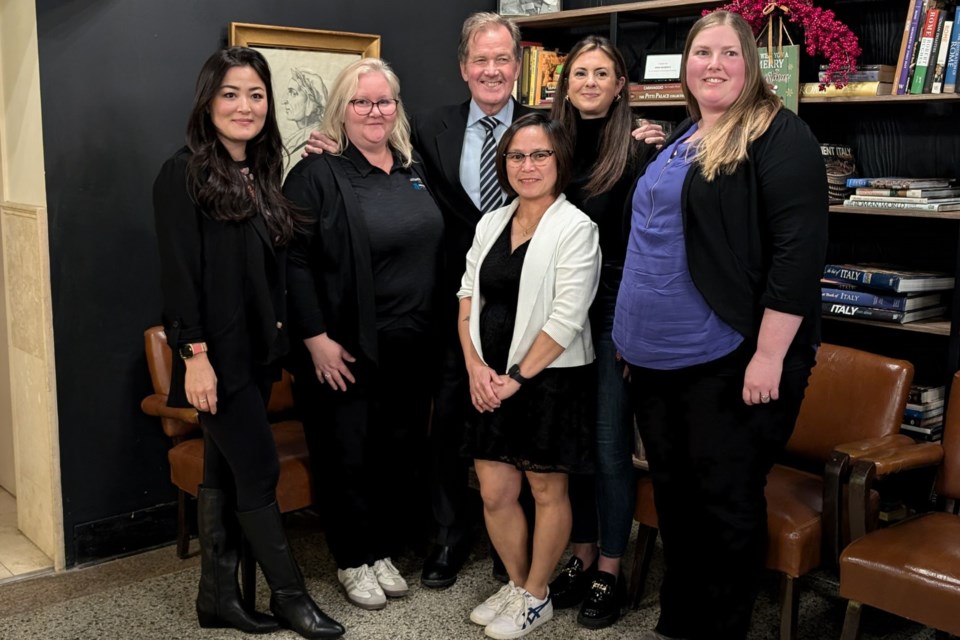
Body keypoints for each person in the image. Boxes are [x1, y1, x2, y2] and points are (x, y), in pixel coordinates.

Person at [612, 11, 828, 640]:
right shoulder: (685, 134)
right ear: (685, 65)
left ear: (751, 63)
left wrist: (768, 356)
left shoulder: (780, 136)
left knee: (725, 504)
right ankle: (682, 621)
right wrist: (635, 338)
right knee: (676, 501)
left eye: (728, 53)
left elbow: (798, 255)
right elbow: (652, 242)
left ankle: (723, 627)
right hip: (656, 361)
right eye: (701, 52)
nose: (713, 64)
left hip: (733, 359)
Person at [152, 47, 344, 640]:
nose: (245, 106)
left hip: (259, 356)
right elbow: (180, 278)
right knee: (257, 471)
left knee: (223, 472)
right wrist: (196, 359)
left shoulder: (259, 173)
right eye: (231, 94)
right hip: (218, 360)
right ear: (208, 102)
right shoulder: (182, 172)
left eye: (256, 94)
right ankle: (291, 599)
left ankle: (218, 599)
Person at [284, 58, 444, 612]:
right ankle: (352, 559)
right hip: (346, 349)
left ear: (396, 107)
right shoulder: (317, 173)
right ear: (342, 110)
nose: (375, 111)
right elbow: (293, 261)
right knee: (345, 455)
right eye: (361, 102)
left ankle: (379, 550)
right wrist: (314, 338)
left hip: (412, 346)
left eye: (384, 101)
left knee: (394, 454)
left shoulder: (412, 166)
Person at [459, 112, 601, 640]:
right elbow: (466, 296)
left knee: (546, 491)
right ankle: (520, 587)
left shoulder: (576, 228)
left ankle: (538, 591)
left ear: (560, 161)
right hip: (487, 378)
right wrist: (476, 367)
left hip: (548, 380)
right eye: (517, 156)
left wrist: (515, 377)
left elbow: (567, 318)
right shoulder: (491, 222)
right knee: (495, 491)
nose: (528, 165)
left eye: (540, 154)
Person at [544, 34, 656, 630]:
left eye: (601, 73)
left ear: (620, 86)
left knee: (611, 446)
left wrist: (633, 331)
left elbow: (648, 248)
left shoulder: (638, 152)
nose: (588, 82)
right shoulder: (547, 144)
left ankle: (610, 569)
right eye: (579, 72)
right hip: (559, 308)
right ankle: (582, 555)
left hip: (613, 307)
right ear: (566, 84)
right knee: (575, 445)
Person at [282, 68, 328, 163]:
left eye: (293, 93)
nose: (285, 100)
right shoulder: (295, 138)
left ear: (311, 102)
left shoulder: (321, 140)